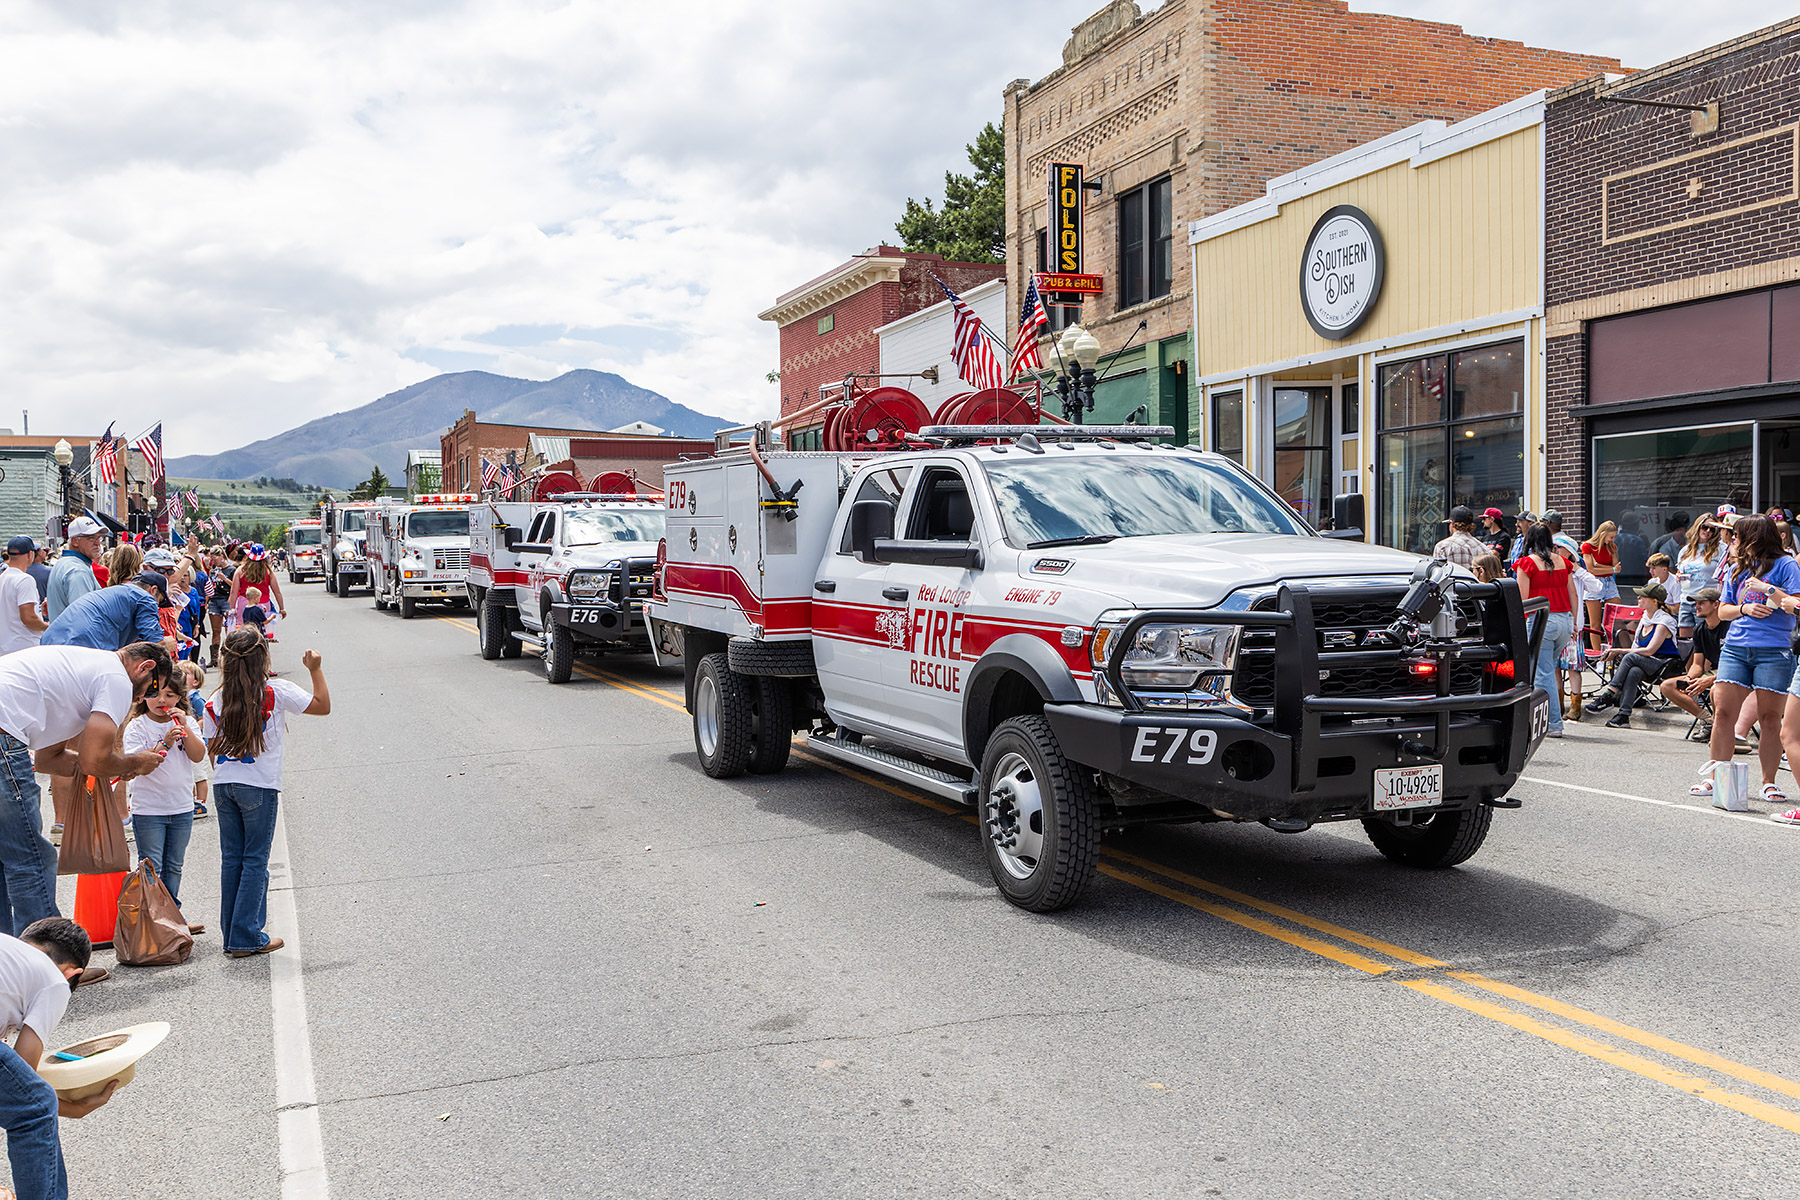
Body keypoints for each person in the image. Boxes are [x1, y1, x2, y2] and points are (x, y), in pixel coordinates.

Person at [0, 642, 171, 938]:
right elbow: (94, 760)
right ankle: (50, 962)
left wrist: (116, 766)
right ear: (145, 667)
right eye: (152, 689)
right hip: (5, 734)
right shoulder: (116, 678)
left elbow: (48, 759)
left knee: (6, 857)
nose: (144, 698)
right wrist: (136, 761)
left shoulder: (82, 676)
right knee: (32, 859)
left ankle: (8, 965)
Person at [202, 629, 329, 957]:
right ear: (264, 658)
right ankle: (246, 936)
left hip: (224, 784)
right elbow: (321, 706)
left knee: (232, 859)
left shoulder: (214, 699)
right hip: (259, 785)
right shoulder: (275, 691)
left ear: (224, 661)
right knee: (255, 859)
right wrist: (314, 668)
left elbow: (212, 749)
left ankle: (231, 931)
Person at [0, 918, 119, 1200]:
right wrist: (72, 1107)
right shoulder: (54, 980)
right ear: (72, 973)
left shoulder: (8, 951)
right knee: (37, 1107)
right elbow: (24, 1080)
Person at [1696, 514, 1799, 805]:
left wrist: (1766, 589)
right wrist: (1745, 609)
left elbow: (1795, 605)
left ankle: (1768, 782)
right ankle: (1715, 776)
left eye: (1737, 536)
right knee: (1723, 714)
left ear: (1754, 537)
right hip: (1736, 648)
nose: (1732, 541)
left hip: (1774, 650)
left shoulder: (1786, 564)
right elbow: (1724, 610)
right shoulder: (1736, 567)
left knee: (1769, 719)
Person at [122, 678, 205, 918]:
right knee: (151, 867)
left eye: (169, 695)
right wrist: (164, 744)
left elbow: (198, 756)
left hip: (181, 807)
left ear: (180, 697)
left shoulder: (187, 722)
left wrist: (185, 729)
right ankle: (153, 919)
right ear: (143, 697)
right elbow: (137, 765)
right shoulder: (137, 726)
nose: (161, 701)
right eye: (155, 694)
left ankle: (172, 917)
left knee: (174, 867)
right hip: (148, 810)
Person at [1514, 524, 1580, 739]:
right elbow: (1573, 594)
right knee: (1548, 670)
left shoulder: (1526, 563)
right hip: (1565, 620)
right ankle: (1546, 718)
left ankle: (1553, 723)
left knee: (1543, 673)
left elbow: (1522, 600)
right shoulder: (1563, 562)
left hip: (1540, 620)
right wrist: (1575, 622)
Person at [1585, 581, 1680, 728]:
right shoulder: (1645, 619)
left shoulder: (1664, 621)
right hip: (1646, 663)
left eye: (1643, 597)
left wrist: (1619, 650)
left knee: (1630, 657)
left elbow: (1649, 650)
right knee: (1634, 671)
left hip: (1664, 665)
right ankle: (1623, 716)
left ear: (1655, 601)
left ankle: (1610, 694)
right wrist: (1620, 654)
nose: (1638, 599)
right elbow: (1636, 647)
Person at [38, 572, 173, 656]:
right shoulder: (145, 597)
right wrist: (167, 643)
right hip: (83, 649)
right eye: (159, 601)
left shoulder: (115, 591)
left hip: (49, 644)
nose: (157, 606)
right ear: (153, 590)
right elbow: (155, 643)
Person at [1660, 587, 1728, 742]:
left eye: (1701, 603)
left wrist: (1709, 680)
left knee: (1716, 689)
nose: (1696, 607)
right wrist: (1690, 678)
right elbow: (1698, 663)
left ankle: (1720, 729)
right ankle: (1708, 721)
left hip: (1731, 672)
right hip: (1713, 672)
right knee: (1667, 686)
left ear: (1716, 604)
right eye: (1695, 603)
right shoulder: (1699, 630)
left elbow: (1736, 664)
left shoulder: (1729, 627)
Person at [44, 519, 104, 621]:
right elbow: (83, 618)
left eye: (99, 537)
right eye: (91, 538)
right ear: (75, 541)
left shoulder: (64, 563)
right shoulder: (77, 570)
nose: (98, 543)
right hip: (73, 635)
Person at [1677, 519, 1726, 638]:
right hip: (1686, 598)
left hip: (1707, 599)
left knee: (1704, 638)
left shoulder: (1720, 548)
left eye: (1712, 529)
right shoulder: (1686, 550)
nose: (1708, 531)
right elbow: (1680, 569)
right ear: (1698, 527)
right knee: (1685, 641)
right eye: (1705, 527)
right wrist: (1679, 576)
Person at [0, 538, 48, 655]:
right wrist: (49, 626)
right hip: (25, 648)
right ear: (30, 554)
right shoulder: (25, 579)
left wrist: (39, 612)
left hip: (6, 647)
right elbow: (28, 618)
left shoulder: (3, 577)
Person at [1581, 521, 1621, 651]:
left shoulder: (1612, 547)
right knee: (1595, 624)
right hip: (1594, 582)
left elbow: (1618, 568)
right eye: (1611, 537)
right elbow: (1591, 570)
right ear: (1603, 534)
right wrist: (1611, 569)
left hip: (1609, 582)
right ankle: (1598, 655)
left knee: (1617, 619)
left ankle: (1615, 651)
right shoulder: (1588, 546)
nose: (1612, 540)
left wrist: (1599, 566)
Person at [228, 545, 286, 633]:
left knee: (244, 631)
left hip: (245, 604)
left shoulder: (241, 570)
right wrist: (282, 608)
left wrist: (232, 608)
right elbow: (277, 592)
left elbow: (234, 592)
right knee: (261, 631)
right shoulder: (268, 572)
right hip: (263, 603)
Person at [179, 661, 211, 820]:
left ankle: (201, 802)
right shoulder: (178, 697)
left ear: (195, 682)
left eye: (185, 673)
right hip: (185, 743)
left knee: (199, 775)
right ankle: (191, 802)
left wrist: (193, 728)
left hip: (197, 741)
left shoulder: (196, 699)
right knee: (188, 774)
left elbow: (205, 717)